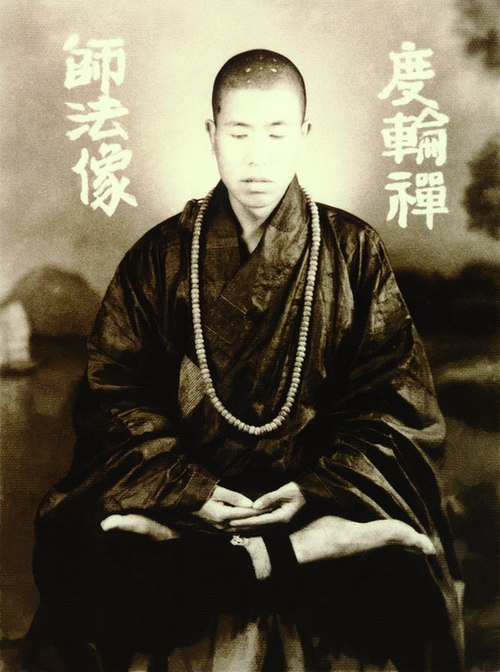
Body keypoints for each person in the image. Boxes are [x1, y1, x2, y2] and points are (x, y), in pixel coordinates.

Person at [27, 49, 464, 672]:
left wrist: (316, 488)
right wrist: (190, 490)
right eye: (239, 132)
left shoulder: (354, 251)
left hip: (315, 497)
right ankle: (283, 553)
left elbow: (393, 403)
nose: (257, 155)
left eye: (276, 132)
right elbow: (114, 395)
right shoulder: (159, 257)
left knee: (400, 578)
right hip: (189, 497)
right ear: (211, 135)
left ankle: (293, 544)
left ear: (305, 135)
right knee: (86, 558)